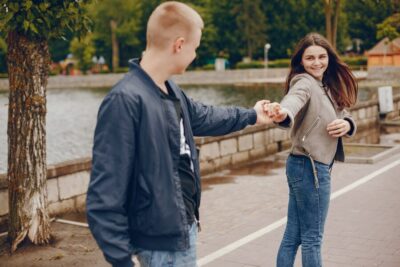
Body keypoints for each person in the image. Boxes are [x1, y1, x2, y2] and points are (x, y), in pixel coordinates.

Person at [86, 2, 272, 267]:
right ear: (179, 44)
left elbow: (206, 116)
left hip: (182, 229)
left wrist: (252, 115)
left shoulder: (171, 89)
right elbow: (103, 198)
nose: (195, 55)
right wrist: (123, 260)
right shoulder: (124, 100)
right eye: (195, 48)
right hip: (156, 245)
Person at [265, 33, 358, 267]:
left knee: (293, 236)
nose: (317, 63)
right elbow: (293, 101)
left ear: (329, 58)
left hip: (302, 167)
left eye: (321, 57)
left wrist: (347, 124)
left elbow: (343, 113)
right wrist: (283, 113)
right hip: (310, 168)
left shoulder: (325, 84)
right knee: (312, 238)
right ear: (301, 61)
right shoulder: (304, 82)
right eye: (310, 58)